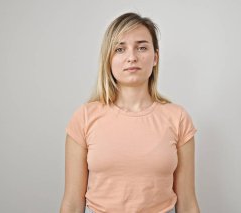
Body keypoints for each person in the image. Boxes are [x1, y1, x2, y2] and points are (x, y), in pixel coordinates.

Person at [60, 12, 200, 213]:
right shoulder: (84, 117)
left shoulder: (178, 118)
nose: (132, 57)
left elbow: (187, 203)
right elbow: (72, 203)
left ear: (155, 58)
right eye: (120, 49)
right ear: (108, 58)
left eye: (142, 47)